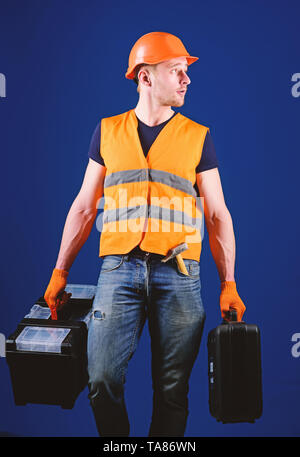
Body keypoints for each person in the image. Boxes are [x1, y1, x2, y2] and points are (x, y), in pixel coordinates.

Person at [44, 31, 246, 437]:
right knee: (101, 380)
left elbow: (217, 214)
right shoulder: (108, 132)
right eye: (177, 71)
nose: (187, 80)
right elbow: (85, 206)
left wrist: (229, 282)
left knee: (172, 392)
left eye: (186, 72)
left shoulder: (197, 137)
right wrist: (60, 271)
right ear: (145, 77)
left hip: (180, 275)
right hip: (119, 271)